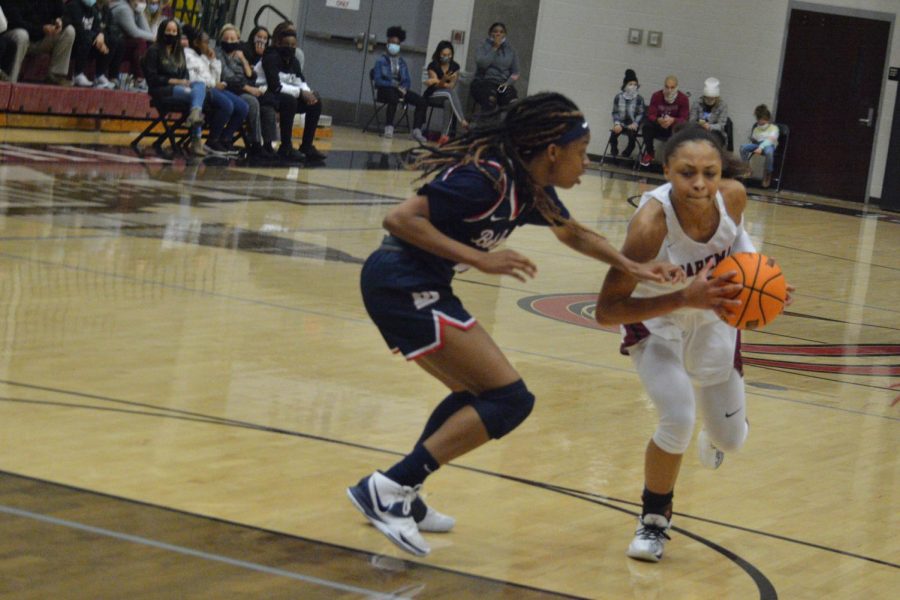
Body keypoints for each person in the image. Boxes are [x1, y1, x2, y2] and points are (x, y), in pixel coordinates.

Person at [345, 92, 683, 557]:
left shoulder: (528, 190)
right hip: (400, 281)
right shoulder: (485, 180)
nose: (585, 164)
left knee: (481, 394)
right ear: (552, 151)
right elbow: (400, 219)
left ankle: (405, 492)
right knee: (510, 399)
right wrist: (479, 259)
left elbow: (575, 233)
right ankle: (390, 488)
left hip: (416, 283)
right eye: (581, 153)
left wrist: (635, 266)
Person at [595, 124, 794, 563]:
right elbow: (607, 310)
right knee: (678, 416)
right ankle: (653, 521)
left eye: (709, 172)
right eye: (687, 173)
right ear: (666, 170)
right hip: (656, 321)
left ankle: (717, 435)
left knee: (730, 440)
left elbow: (740, 247)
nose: (700, 184)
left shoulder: (733, 197)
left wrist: (767, 285)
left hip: (713, 318)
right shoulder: (650, 227)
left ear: (721, 172)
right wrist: (684, 296)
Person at [260, 22, 327, 163]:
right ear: (278, 42)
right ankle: (286, 146)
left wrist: (309, 94)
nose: (290, 48)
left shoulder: (294, 61)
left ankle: (306, 146)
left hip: (282, 95)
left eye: (293, 45)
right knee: (290, 100)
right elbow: (275, 86)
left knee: (315, 102)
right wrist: (300, 93)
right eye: (287, 44)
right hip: (264, 92)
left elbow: (300, 82)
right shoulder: (270, 57)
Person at [143, 18, 206, 155]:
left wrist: (186, 82)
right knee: (194, 96)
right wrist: (174, 81)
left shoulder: (179, 51)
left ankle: (194, 114)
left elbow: (185, 74)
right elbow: (152, 79)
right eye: (168, 31)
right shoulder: (154, 50)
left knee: (200, 85)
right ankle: (196, 141)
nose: (171, 34)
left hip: (180, 87)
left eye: (174, 31)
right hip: (161, 89)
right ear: (162, 32)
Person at [184, 25, 248, 155]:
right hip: (202, 90)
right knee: (227, 105)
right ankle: (212, 141)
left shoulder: (203, 57)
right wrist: (214, 83)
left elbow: (216, 77)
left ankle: (225, 138)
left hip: (213, 87)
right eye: (206, 42)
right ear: (196, 42)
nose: (209, 46)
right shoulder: (188, 56)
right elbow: (194, 79)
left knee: (243, 107)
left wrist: (213, 60)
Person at [217, 23, 271, 160]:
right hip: (228, 88)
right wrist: (248, 89)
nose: (229, 42)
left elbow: (251, 75)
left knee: (268, 102)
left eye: (233, 39)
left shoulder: (238, 54)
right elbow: (228, 77)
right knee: (252, 102)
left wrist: (243, 59)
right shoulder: (218, 54)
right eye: (227, 39)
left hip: (241, 87)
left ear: (238, 40)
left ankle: (268, 143)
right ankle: (256, 143)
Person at [373, 25, 427, 142]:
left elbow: (407, 80)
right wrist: (394, 85)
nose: (395, 46)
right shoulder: (380, 61)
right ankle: (389, 127)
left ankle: (417, 130)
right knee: (393, 97)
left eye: (397, 44)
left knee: (421, 101)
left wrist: (404, 88)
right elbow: (378, 80)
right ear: (387, 43)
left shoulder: (402, 62)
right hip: (385, 90)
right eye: (392, 43)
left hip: (400, 90)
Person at [0, 0, 75, 84]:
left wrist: (61, 21)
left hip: (41, 38)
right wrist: (41, 29)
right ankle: (11, 80)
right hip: (14, 36)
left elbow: (67, 14)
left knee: (69, 31)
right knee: (21, 35)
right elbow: (14, 22)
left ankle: (55, 76)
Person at [65, 0, 121, 89]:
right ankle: (78, 73)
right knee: (87, 37)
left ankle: (99, 75)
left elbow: (97, 26)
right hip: (74, 43)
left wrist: (100, 35)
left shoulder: (92, 8)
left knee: (112, 40)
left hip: (88, 42)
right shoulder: (73, 5)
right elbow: (78, 29)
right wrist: (96, 35)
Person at [424, 40, 469, 145]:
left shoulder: (455, 66)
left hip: (447, 94)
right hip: (432, 94)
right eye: (444, 54)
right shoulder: (433, 65)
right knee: (449, 93)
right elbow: (435, 85)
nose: (447, 57)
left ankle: (444, 135)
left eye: (449, 55)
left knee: (448, 101)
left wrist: (439, 81)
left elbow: (452, 85)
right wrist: (444, 79)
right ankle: (462, 120)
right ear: (439, 54)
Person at [471, 22, 519, 115]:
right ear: (490, 33)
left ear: (505, 34)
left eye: (501, 32)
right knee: (490, 101)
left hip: (503, 83)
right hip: (484, 82)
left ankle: (507, 127)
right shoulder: (483, 46)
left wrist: (508, 83)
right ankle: (486, 126)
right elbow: (482, 64)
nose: (498, 34)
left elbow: (516, 73)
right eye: (495, 31)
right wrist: (495, 47)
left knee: (513, 103)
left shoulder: (511, 50)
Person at [640, 75, 689, 166]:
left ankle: (672, 157)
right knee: (646, 127)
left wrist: (673, 120)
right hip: (659, 125)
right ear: (664, 86)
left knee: (681, 130)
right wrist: (658, 120)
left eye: (672, 87)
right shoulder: (656, 96)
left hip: (673, 127)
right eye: (667, 87)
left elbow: (684, 118)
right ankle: (650, 153)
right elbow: (651, 114)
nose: (669, 90)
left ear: (676, 87)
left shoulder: (683, 99)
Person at [108, 0, 154, 90]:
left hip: (123, 44)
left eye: (144, 0)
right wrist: (156, 38)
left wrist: (140, 13)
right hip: (113, 44)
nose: (142, 3)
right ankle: (140, 79)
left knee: (149, 44)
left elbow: (147, 32)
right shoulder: (123, 9)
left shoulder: (134, 9)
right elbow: (134, 32)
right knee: (140, 43)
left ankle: (149, 78)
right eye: (140, 0)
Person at [740, 104, 780, 188]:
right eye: (760, 120)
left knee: (769, 152)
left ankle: (768, 173)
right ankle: (747, 168)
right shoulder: (756, 128)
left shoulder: (774, 128)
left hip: (769, 145)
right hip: (757, 145)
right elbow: (755, 139)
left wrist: (761, 147)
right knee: (743, 147)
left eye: (763, 120)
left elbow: (770, 140)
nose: (761, 122)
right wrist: (753, 140)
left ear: (767, 119)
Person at [608, 68, 645, 159]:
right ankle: (614, 151)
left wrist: (635, 123)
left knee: (632, 135)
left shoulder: (639, 98)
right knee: (613, 136)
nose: (633, 86)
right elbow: (615, 112)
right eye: (630, 84)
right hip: (620, 123)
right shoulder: (618, 97)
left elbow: (641, 113)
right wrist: (617, 123)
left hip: (632, 124)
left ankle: (628, 151)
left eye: (635, 84)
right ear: (625, 85)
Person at [689, 77, 729, 147]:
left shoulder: (723, 105)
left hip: (715, 133)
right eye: (707, 98)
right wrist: (700, 125)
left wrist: (710, 126)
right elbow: (692, 120)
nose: (709, 100)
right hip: (699, 130)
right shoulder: (697, 103)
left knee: (713, 142)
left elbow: (721, 125)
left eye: (712, 98)